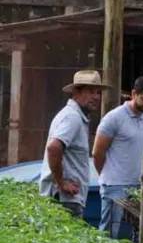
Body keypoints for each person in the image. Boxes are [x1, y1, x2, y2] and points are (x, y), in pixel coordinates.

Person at [39, 70, 109, 218]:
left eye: (98, 93)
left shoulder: (75, 116)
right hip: (65, 200)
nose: (96, 97)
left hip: (66, 199)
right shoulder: (73, 117)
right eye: (90, 92)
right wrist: (61, 182)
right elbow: (53, 148)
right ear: (76, 92)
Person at [92, 76, 143, 239]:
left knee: (138, 233)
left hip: (139, 185)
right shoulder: (114, 118)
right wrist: (107, 176)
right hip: (115, 186)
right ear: (133, 94)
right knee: (111, 234)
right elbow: (97, 152)